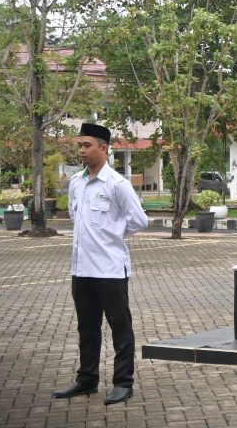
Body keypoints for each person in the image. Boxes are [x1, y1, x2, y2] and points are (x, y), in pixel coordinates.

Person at [53, 123, 148, 405]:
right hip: (81, 269)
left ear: (104, 148)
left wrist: (115, 234)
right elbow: (74, 216)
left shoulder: (117, 185)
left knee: (120, 327)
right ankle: (87, 379)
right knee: (87, 327)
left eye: (87, 145)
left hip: (109, 269)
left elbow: (139, 221)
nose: (81, 151)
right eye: (79, 146)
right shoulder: (76, 183)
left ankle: (123, 383)